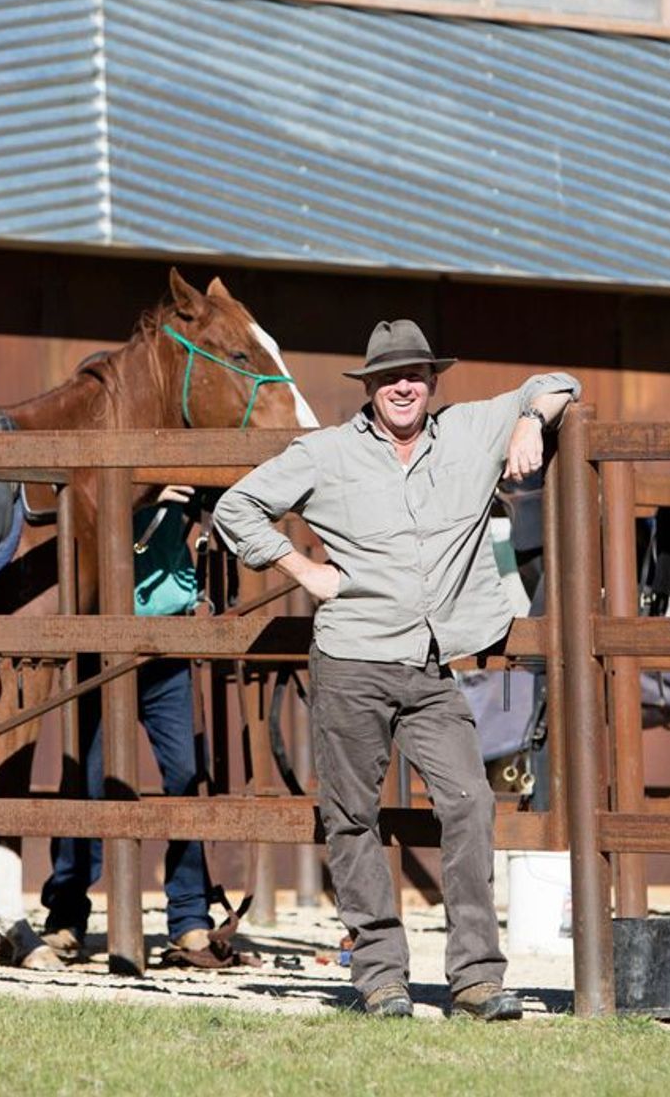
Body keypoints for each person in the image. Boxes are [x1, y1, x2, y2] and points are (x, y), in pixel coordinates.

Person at [214, 318, 579, 1020]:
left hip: (433, 666)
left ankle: (475, 977)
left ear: (432, 382)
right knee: (351, 815)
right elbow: (239, 507)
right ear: (371, 388)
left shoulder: (473, 430)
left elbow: (559, 381)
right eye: (388, 378)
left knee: (470, 801)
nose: (403, 387)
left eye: (414, 375)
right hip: (352, 658)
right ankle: (380, 977)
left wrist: (531, 422)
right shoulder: (325, 453)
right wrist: (299, 567)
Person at [42, 485, 217, 961]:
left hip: (166, 640)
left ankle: (189, 916)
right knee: (88, 781)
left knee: (184, 776)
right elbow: (84, 513)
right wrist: (142, 493)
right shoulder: (103, 478)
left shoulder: (181, 467)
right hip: (99, 644)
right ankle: (65, 913)